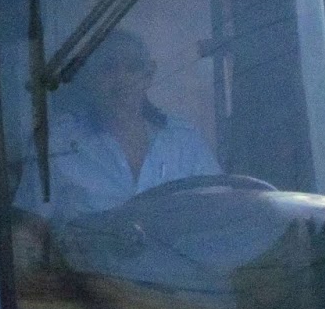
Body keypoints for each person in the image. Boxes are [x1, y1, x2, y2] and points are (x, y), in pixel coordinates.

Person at [12, 27, 219, 224]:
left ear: (148, 75)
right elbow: (31, 231)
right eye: (108, 68)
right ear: (89, 76)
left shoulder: (185, 141)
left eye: (133, 68)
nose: (121, 79)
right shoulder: (56, 144)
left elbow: (216, 213)